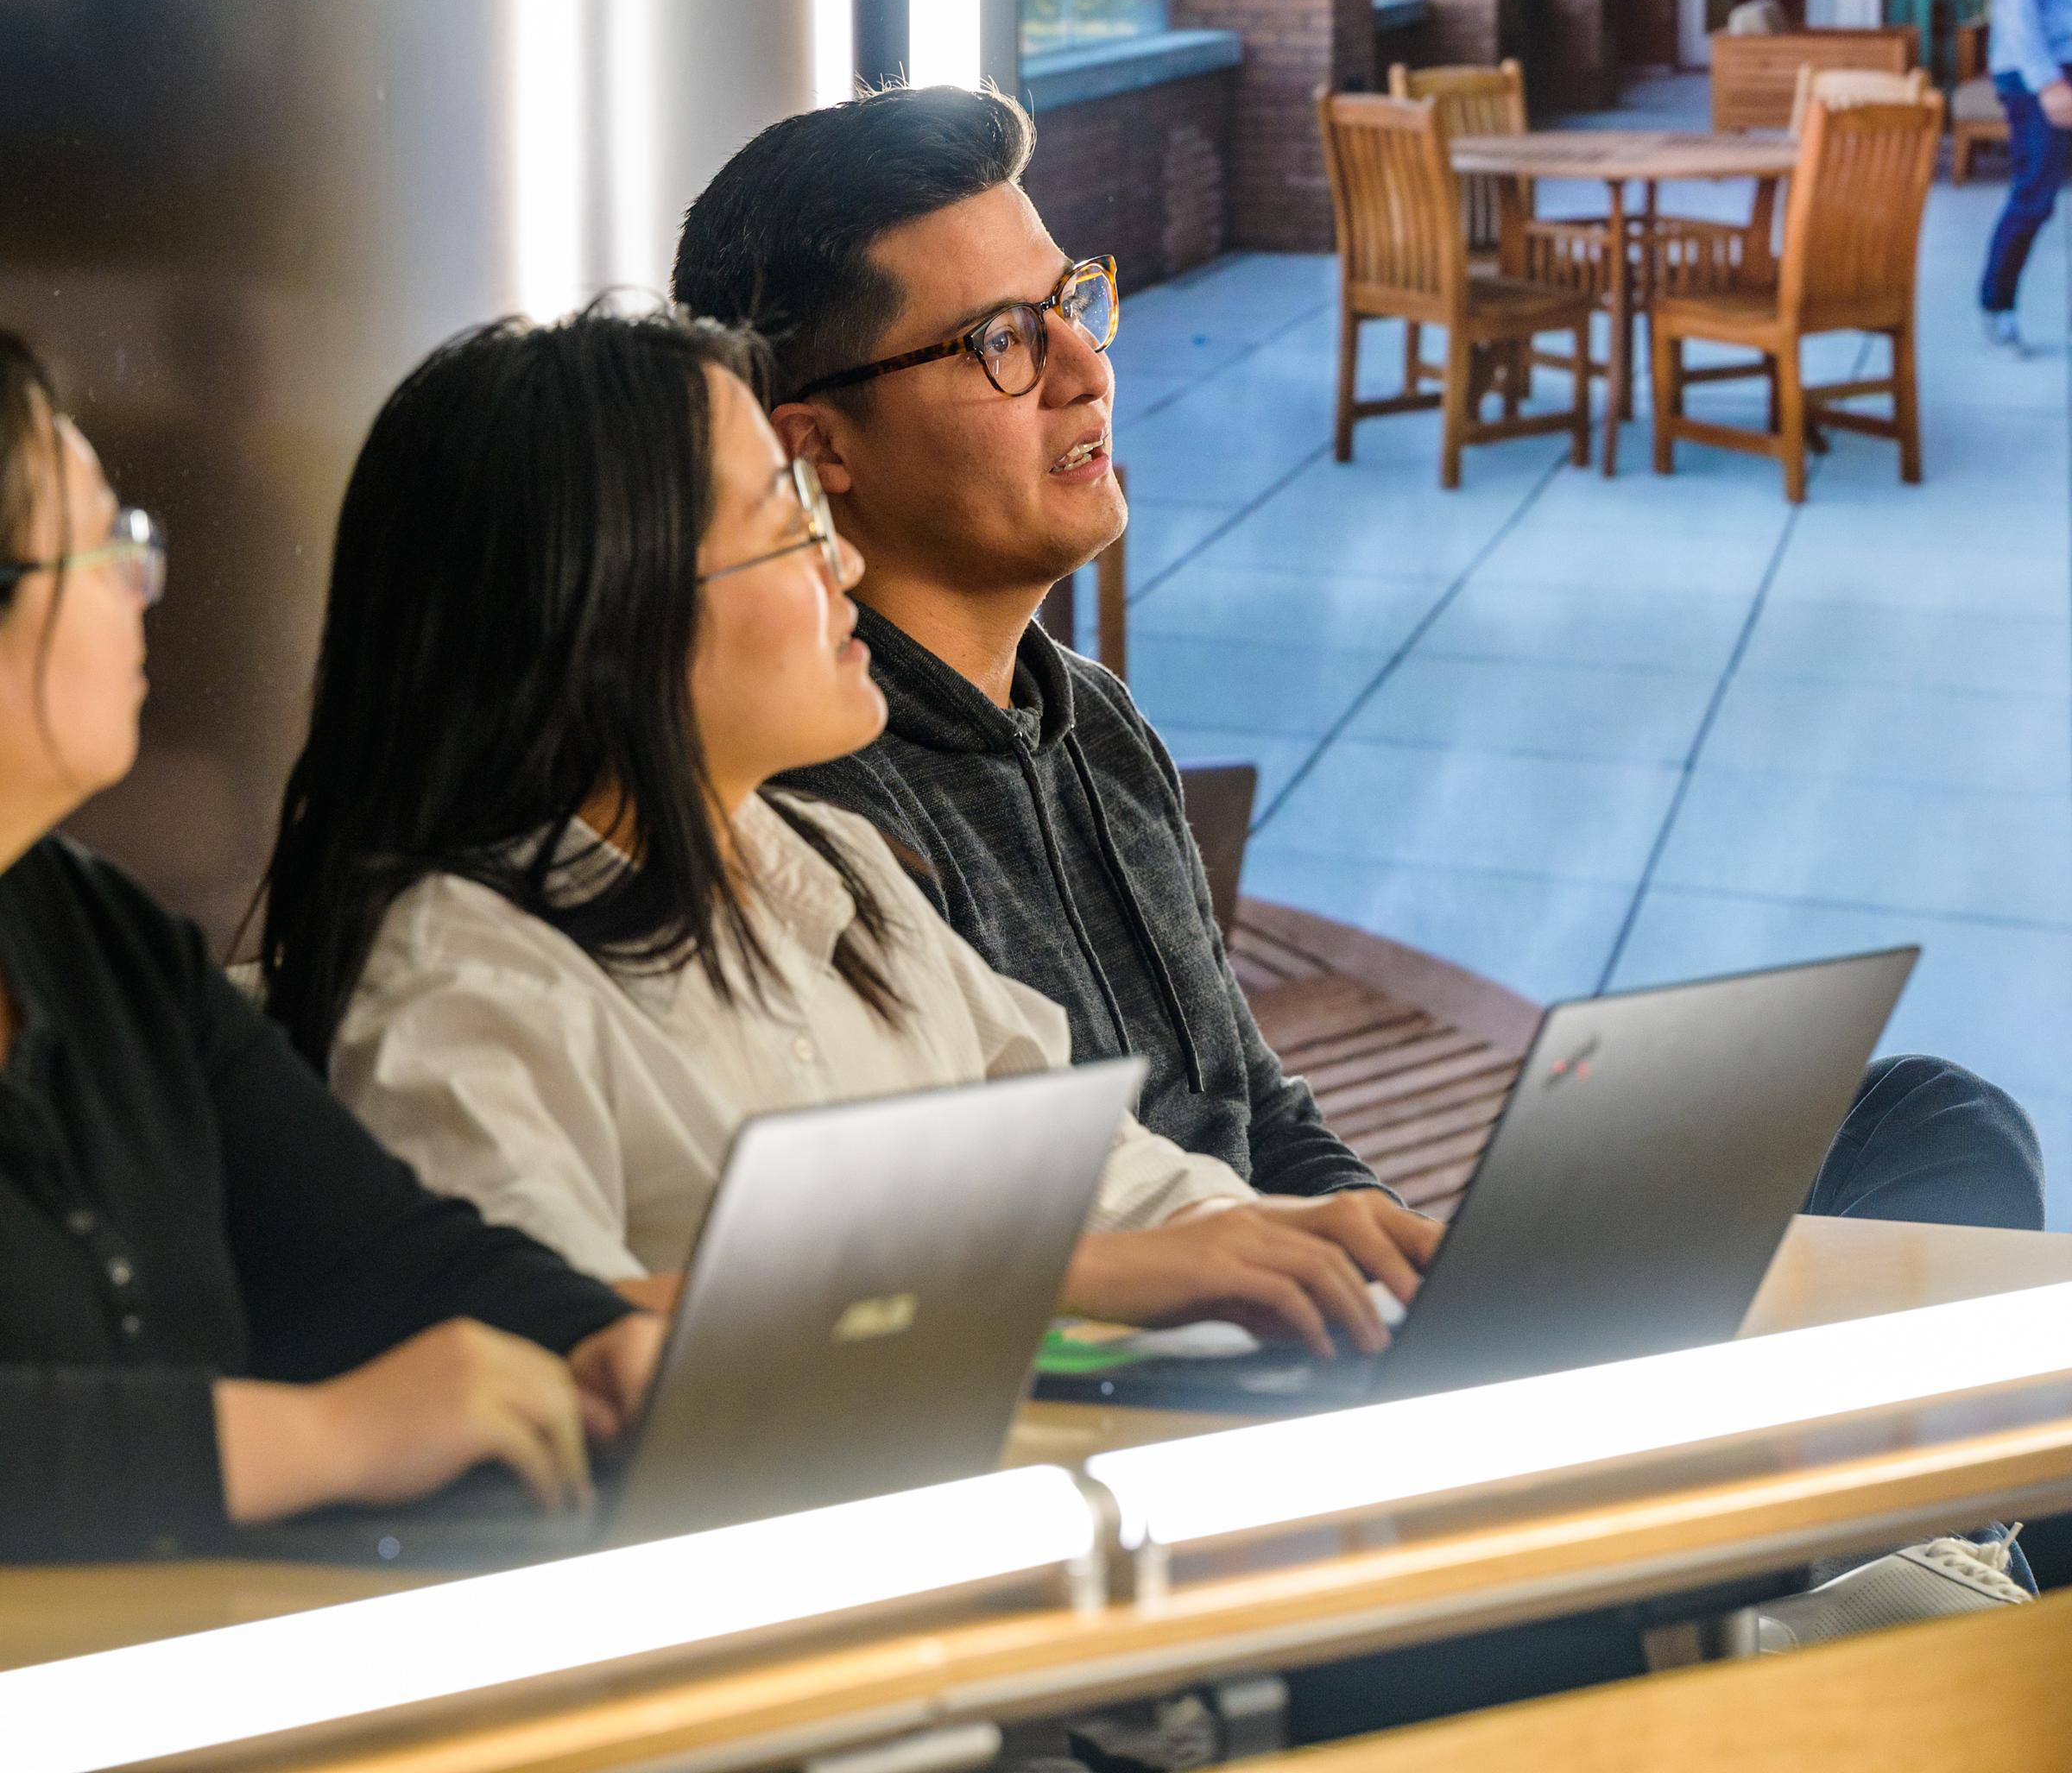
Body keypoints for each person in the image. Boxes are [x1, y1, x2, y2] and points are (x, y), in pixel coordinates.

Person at [670, 82, 2044, 1244]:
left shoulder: (1090, 720)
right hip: (1196, 1439)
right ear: (817, 449)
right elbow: (973, 1283)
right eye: (1004, 344)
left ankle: (1922, 1535)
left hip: (1329, 1342)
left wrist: (1388, 1259)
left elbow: (1261, 1111)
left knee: (1926, 1117)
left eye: (1069, 305)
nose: (1087, 367)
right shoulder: (820, 825)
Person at [257, 307, 1426, 1356]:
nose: (848, 561)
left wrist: (1320, 1250)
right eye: (790, 524)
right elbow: (536, 1336)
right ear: (608, 599)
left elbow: (1094, 1175)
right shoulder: (462, 978)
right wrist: (1077, 1275)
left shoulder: (833, 867)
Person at [0, 331, 663, 1562]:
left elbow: (374, 1252)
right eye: (105, 546)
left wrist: (596, 1342)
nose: (145, 586)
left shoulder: (105, 941)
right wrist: (322, 1438)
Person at [1980, 0, 2072, 350]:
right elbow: (2013, 1)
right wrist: (2049, 83)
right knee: (2036, 195)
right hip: (2034, 69)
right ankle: (1996, 305)